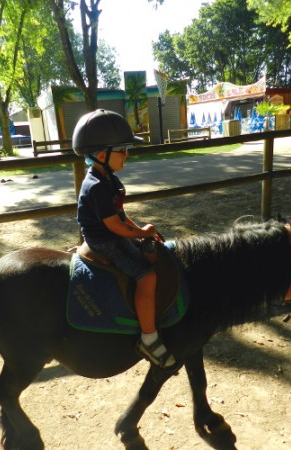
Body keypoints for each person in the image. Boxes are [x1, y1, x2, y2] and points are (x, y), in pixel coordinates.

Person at [72, 109, 178, 371]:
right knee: (146, 276)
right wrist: (142, 233)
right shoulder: (97, 186)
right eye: (123, 149)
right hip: (104, 241)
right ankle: (148, 337)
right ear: (101, 154)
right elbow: (114, 227)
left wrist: (141, 231)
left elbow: (120, 215)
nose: (127, 154)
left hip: (112, 232)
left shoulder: (108, 178)